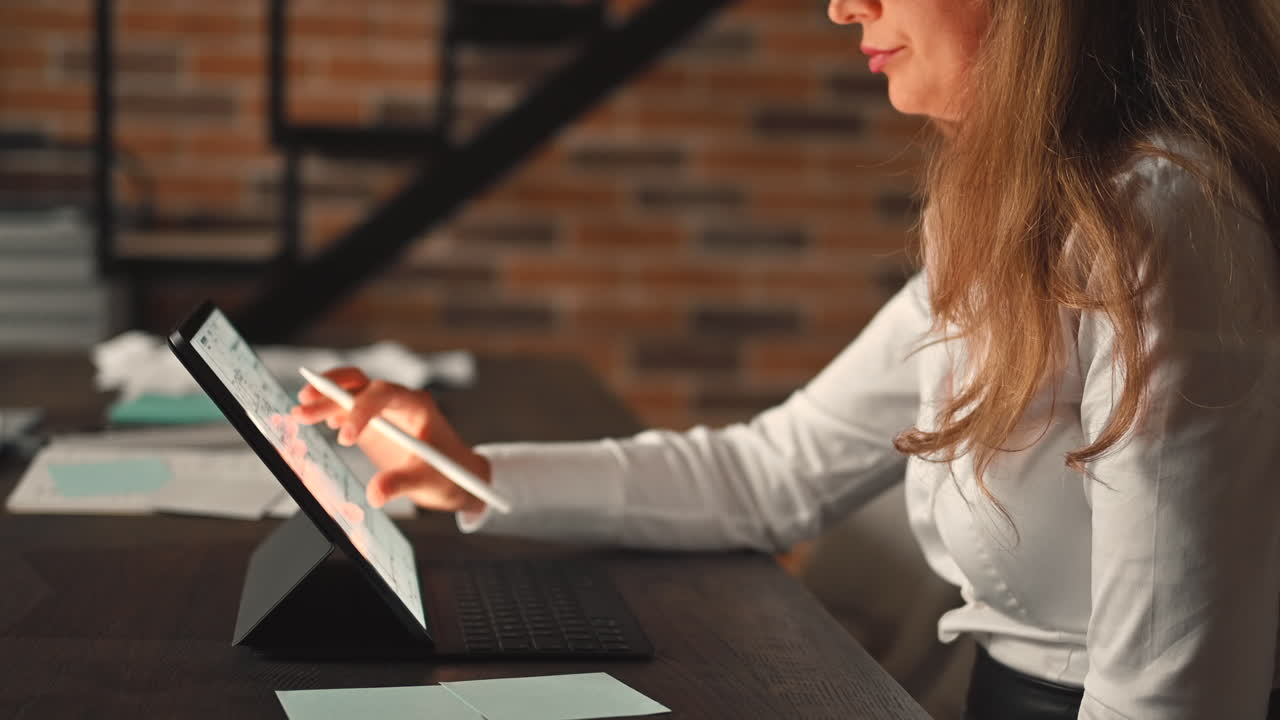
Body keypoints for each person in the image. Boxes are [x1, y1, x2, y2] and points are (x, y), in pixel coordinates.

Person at [291, 1, 1280, 717]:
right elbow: (771, 472)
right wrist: (466, 470)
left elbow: (1173, 692)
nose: (842, 5)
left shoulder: (1160, 219)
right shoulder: (1013, 219)